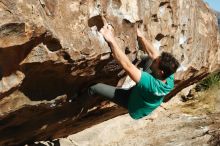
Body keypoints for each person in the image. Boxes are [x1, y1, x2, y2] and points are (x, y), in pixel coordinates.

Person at [75, 23, 180, 120]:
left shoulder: (151, 85)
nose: (155, 59)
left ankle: (77, 107)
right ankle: (137, 65)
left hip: (132, 103)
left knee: (94, 87)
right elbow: (153, 54)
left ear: (161, 72)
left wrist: (111, 39)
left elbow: (126, 65)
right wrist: (141, 36)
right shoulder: (169, 75)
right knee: (148, 59)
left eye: (156, 62)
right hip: (142, 94)